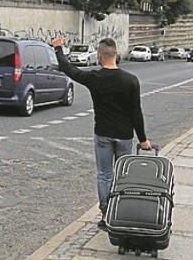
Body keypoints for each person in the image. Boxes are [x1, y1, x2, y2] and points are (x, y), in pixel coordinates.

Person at [51, 35, 152, 230]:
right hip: (124, 136)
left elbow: (69, 69)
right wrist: (143, 140)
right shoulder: (130, 80)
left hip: (103, 134)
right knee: (123, 176)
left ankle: (106, 216)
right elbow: (136, 113)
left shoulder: (95, 78)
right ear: (116, 54)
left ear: (99, 55)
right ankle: (121, 213)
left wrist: (58, 48)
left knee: (104, 175)